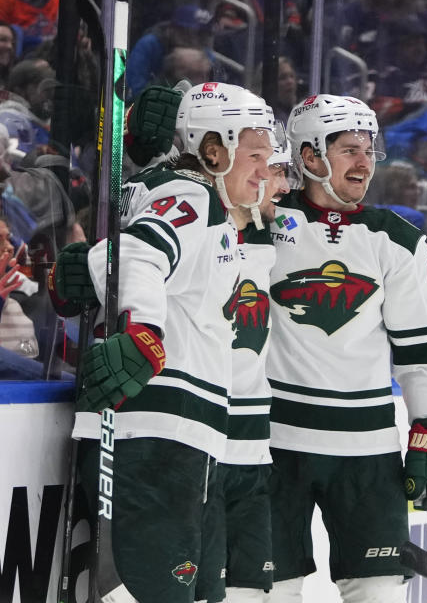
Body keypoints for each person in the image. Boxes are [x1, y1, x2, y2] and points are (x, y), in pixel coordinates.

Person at [48, 81, 275, 603]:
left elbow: (115, 254)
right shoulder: (191, 193)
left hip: (182, 442)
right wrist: (142, 332)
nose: (265, 171)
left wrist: (84, 269)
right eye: (256, 155)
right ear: (213, 150)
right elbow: (139, 256)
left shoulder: (202, 205)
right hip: (151, 440)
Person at [265, 94, 427, 603]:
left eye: (369, 150)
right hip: (271, 445)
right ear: (309, 157)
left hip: (367, 455)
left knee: (378, 594)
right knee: (266, 592)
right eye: (350, 149)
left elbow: (424, 355)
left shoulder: (396, 240)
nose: (365, 162)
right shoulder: (261, 225)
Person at [195, 124, 291, 603]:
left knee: (252, 591)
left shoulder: (272, 241)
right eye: (274, 170)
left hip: (253, 451)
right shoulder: (198, 236)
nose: (282, 184)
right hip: (203, 447)